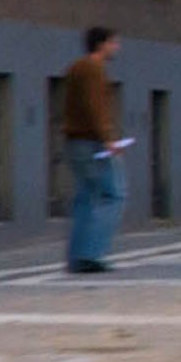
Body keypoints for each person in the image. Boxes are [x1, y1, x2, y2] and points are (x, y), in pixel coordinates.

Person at [54, 26, 127, 274]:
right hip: (92, 142)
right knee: (112, 194)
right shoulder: (94, 69)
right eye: (113, 43)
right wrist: (108, 139)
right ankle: (92, 253)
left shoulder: (76, 67)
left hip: (75, 140)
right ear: (101, 44)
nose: (116, 48)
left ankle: (77, 257)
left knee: (86, 196)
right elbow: (95, 106)